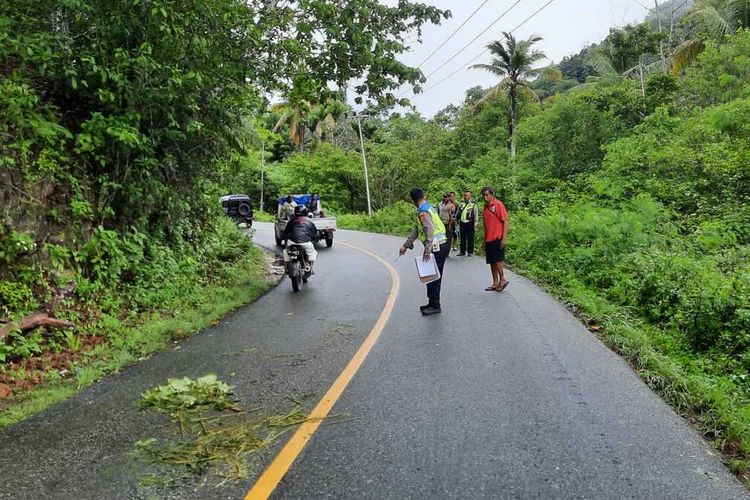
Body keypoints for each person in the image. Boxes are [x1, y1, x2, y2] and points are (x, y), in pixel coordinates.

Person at [399, 188, 449, 315]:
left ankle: (436, 304)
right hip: (436, 245)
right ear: (423, 196)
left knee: (434, 275)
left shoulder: (423, 211)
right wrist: (406, 245)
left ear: (412, 200)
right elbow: (417, 230)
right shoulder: (427, 207)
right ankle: (431, 302)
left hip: (437, 245)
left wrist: (427, 249)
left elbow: (430, 230)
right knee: (430, 274)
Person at [481, 186, 509, 292]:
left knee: (498, 260)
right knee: (492, 261)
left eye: (487, 195)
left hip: (497, 237)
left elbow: (505, 221)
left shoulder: (498, 205)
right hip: (489, 238)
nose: (485, 197)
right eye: (483, 195)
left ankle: (503, 279)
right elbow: (486, 225)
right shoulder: (485, 207)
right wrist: (484, 240)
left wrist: (504, 238)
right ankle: (495, 282)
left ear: (492, 195)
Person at [457, 190, 479, 256]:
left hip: (470, 222)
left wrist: (476, 222)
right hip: (462, 222)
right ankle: (462, 251)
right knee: (462, 237)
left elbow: (476, 213)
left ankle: (470, 252)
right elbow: (458, 212)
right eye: (465, 195)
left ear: (470, 196)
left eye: (467, 195)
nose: (465, 197)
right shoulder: (461, 204)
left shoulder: (473, 204)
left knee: (470, 237)